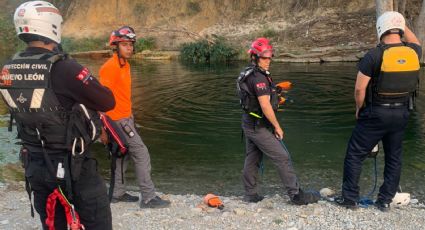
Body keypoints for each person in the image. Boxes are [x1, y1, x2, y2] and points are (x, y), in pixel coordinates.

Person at [0, 1, 115, 229]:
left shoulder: (7, 68)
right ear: (51, 25)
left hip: (34, 162)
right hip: (74, 165)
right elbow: (107, 101)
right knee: (97, 221)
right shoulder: (64, 67)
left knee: (53, 222)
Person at [336, 11, 421, 211]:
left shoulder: (374, 55)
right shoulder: (413, 53)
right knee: (394, 157)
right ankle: (384, 200)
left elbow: (359, 89)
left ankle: (350, 199)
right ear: (399, 29)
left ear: (380, 28)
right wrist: (401, 24)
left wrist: (359, 108)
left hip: (376, 113)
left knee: (355, 154)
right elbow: (415, 40)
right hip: (401, 114)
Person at [236, 37, 320, 205]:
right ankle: (296, 195)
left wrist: (277, 91)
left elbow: (259, 99)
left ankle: (250, 194)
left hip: (250, 122)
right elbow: (265, 106)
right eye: (264, 57)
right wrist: (277, 126)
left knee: (253, 158)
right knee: (282, 157)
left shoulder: (250, 72)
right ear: (255, 57)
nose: (268, 61)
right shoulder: (259, 78)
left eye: (270, 57)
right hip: (258, 126)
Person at [99, 26, 171, 208]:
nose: (129, 48)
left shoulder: (126, 65)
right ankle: (148, 198)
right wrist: (102, 129)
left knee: (121, 155)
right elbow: (100, 100)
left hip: (126, 118)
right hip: (116, 120)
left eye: (131, 44)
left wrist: (130, 115)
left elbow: (121, 95)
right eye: (124, 44)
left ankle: (117, 193)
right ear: (115, 46)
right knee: (141, 153)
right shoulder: (109, 68)